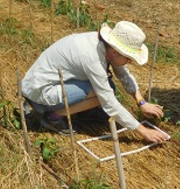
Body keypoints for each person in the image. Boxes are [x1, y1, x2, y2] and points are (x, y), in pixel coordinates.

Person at [21, 21, 169, 144]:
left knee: (108, 86)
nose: (129, 62)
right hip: (41, 91)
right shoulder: (92, 58)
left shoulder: (103, 45)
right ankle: (53, 117)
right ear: (116, 52)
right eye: (128, 58)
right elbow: (109, 102)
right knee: (102, 95)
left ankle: (82, 110)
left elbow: (123, 74)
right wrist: (143, 131)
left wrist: (141, 102)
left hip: (45, 84)